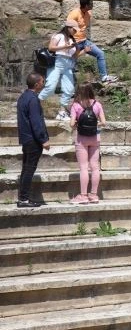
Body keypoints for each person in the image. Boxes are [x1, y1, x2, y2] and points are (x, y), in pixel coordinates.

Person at [39, 19, 88, 121]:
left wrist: (83, 51)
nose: (75, 32)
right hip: (57, 63)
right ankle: (35, 104)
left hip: (68, 65)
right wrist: (65, 46)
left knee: (69, 89)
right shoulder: (59, 36)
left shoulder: (73, 40)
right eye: (74, 30)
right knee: (50, 87)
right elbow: (51, 48)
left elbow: (74, 56)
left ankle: (62, 112)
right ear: (68, 28)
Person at [69, 83, 106, 204]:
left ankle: (83, 195)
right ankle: (94, 195)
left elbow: (71, 124)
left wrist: (78, 123)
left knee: (84, 167)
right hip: (95, 138)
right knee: (95, 167)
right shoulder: (97, 104)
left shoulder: (76, 105)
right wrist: (94, 124)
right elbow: (103, 122)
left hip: (81, 139)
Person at [16, 73, 50, 208]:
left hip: (25, 139)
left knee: (26, 169)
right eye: (42, 81)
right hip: (33, 140)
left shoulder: (23, 97)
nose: (44, 83)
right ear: (37, 84)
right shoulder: (33, 100)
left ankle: (22, 198)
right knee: (29, 170)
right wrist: (44, 140)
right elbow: (36, 122)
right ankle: (23, 200)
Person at [66, 0, 117, 83]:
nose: (93, 5)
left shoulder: (88, 14)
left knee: (100, 54)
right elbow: (67, 28)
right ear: (86, 5)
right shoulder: (74, 13)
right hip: (75, 43)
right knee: (71, 63)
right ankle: (69, 86)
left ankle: (104, 77)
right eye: (91, 4)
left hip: (84, 41)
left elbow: (85, 28)